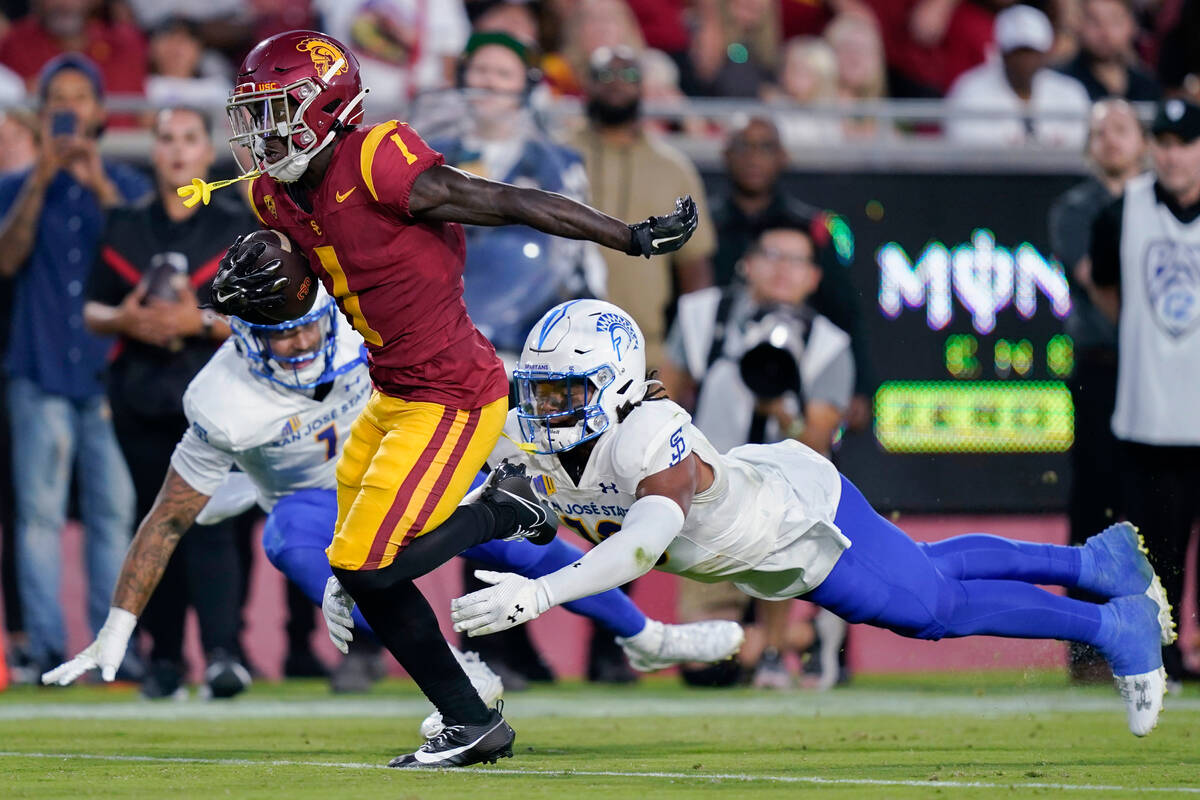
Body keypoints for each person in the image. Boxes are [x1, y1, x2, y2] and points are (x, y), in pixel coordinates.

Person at [194, 30, 698, 768]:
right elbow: (313, 270)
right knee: (354, 563)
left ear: (328, 108)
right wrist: (255, 290)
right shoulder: (272, 192)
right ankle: (467, 717)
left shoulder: (376, 157)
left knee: (368, 566)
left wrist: (624, 237)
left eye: (277, 112)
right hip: (391, 390)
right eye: (255, 115)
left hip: (454, 392)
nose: (262, 133)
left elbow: (502, 199)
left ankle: (505, 512)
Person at [448, 298, 1176, 739]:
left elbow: (642, 544)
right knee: (928, 567)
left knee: (933, 609)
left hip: (794, 522)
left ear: (612, 386)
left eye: (562, 393)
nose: (543, 411)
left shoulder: (647, 433)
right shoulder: (535, 438)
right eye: (539, 393)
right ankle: (1097, 564)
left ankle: (1113, 627)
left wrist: (544, 594)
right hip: (768, 532)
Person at [41, 291, 743, 721]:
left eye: (305, 326)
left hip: (406, 464)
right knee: (288, 537)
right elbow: (167, 516)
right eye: (274, 334)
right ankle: (445, 665)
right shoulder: (218, 400)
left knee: (509, 524)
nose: (295, 344)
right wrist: (116, 623)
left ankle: (644, 635)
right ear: (238, 336)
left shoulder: (359, 322)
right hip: (320, 499)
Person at [82, 106, 252, 699]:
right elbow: (93, 308)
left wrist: (198, 321)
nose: (177, 150)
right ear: (151, 151)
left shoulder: (235, 224)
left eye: (188, 139)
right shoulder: (124, 223)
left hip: (218, 398)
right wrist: (125, 317)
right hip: (140, 396)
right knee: (151, 524)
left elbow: (265, 316)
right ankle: (164, 660)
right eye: (166, 139)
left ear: (207, 152)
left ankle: (224, 653)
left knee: (212, 524)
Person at [0, 53, 150, 678]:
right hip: (38, 370)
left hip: (110, 373)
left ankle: (110, 650)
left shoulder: (126, 187)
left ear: (97, 112)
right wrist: (39, 180)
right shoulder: (13, 187)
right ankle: (41, 647)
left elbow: (145, 259)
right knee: (36, 517)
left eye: (77, 98)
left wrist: (99, 187)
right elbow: (6, 261)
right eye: (55, 99)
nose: (67, 109)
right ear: (40, 115)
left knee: (114, 515)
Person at [667, 224, 854, 690]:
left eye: (796, 261)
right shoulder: (701, 315)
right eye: (772, 255)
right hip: (709, 493)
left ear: (813, 278)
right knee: (706, 666)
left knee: (781, 534)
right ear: (747, 263)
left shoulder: (829, 344)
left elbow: (816, 444)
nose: (782, 270)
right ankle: (810, 633)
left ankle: (774, 648)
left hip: (779, 501)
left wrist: (779, 408)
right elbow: (661, 399)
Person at [1087, 97, 1200, 690]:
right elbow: (1107, 291)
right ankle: (1160, 659)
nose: (1174, 154)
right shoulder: (1121, 211)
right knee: (1155, 551)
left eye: (1186, 141)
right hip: (1148, 413)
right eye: (1166, 141)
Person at [1047, 98, 1147, 681]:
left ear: (1145, 140)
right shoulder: (1077, 207)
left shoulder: (1170, 203)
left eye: (1120, 129)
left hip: (1171, 369)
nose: (1109, 140)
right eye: (1098, 132)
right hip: (1105, 363)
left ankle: (1160, 633)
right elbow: (1099, 281)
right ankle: (1086, 643)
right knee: (1096, 494)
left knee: (1164, 494)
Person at [703, 117, 872, 431]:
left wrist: (861, 385)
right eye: (744, 146)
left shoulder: (811, 229)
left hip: (799, 367)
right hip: (716, 361)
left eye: (765, 147)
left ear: (783, 157)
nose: (754, 157)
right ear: (726, 154)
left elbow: (845, 309)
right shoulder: (704, 227)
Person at [567, 45, 715, 371]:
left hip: (648, 347)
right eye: (605, 74)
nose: (617, 82)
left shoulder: (673, 166)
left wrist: (689, 360)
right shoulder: (559, 154)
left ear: (643, 86)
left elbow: (695, 271)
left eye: (629, 74)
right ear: (586, 85)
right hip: (562, 342)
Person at [944, 4, 1091, 147]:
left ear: (1045, 54)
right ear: (1002, 53)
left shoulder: (1069, 92)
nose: (1024, 62)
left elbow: (1081, 148)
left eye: (1031, 53)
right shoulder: (970, 91)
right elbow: (967, 150)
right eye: (1017, 53)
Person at [1055, 0, 1161, 103]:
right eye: (1094, 21)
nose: (1105, 33)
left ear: (1132, 25)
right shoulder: (1058, 83)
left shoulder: (1147, 87)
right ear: (1078, 23)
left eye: (1115, 21)